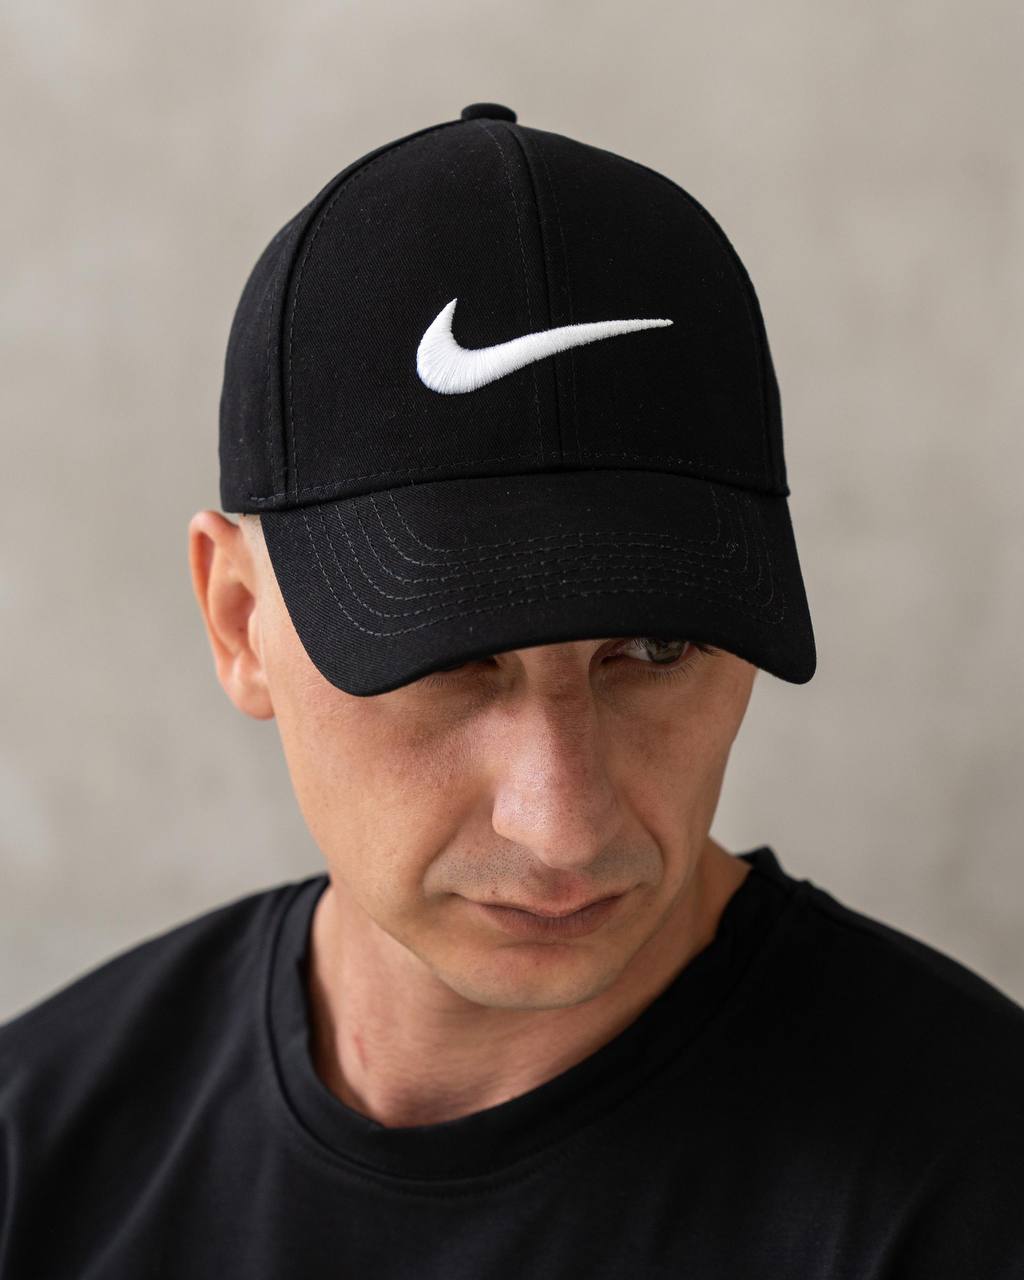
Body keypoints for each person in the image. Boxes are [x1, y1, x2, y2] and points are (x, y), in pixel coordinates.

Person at [2, 102, 1021, 1278]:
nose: (563, 824)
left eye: (655, 650)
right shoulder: (36, 1162)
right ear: (240, 621)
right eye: (449, 657)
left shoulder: (977, 1185)